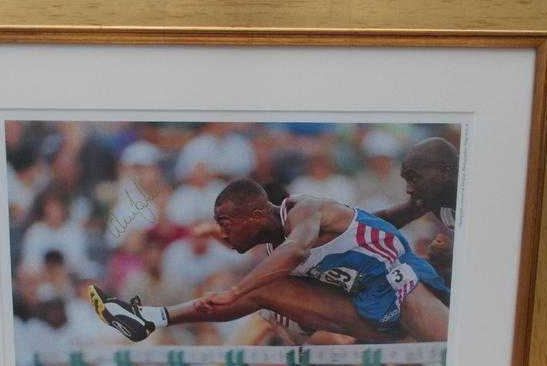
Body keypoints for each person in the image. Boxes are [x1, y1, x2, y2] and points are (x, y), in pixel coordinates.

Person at [89, 178, 450, 345]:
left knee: (263, 285)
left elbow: (296, 250)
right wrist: (290, 319)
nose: (225, 235)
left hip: (405, 290)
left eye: (227, 224)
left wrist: (235, 292)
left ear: (258, 214)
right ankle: (152, 318)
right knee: (270, 292)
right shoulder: (276, 256)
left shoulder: (305, 210)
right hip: (367, 315)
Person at [375, 137, 459, 284]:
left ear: (444, 172)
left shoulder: (478, 198)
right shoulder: (432, 197)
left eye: (414, 178)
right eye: (406, 180)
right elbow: (379, 222)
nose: (409, 189)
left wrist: (453, 254)